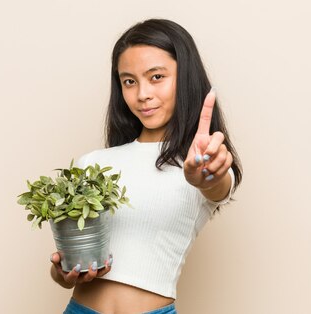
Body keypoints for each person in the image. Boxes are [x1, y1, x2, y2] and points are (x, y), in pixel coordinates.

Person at [48, 19, 243, 314]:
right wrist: (63, 273)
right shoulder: (93, 163)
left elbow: (217, 185)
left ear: (186, 77)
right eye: (129, 81)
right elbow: (68, 262)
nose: (142, 94)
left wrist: (204, 177)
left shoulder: (203, 163)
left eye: (156, 77)